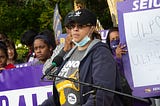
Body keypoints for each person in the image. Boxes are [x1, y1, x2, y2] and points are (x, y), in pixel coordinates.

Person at [41, 8, 124, 106]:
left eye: (80, 25)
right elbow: (62, 92)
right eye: (72, 26)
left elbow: (101, 94)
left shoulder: (100, 52)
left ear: (92, 28)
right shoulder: (70, 53)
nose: (75, 29)